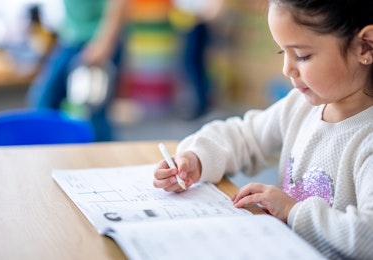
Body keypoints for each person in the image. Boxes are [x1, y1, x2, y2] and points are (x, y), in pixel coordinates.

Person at [153, 0, 373, 258]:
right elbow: (245, 136)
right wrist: (197, 158)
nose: (287, 69)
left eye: (302, 55)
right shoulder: (299, 107)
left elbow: (367, 235)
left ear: (365, 46)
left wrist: (293, 211)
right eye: (282, 53)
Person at [26, 0, 128, 141]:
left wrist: (105, 42)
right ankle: (51, 148)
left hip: (95, 40)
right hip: (69, 39)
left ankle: (102, 158)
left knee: (94, 112)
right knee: (44, 101)